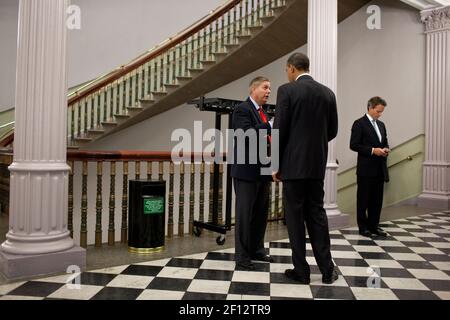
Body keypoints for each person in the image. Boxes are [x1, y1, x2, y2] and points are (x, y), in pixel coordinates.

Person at [273, 53, 339, 285]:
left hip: (292, 166)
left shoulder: (287, 91)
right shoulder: (327, 93)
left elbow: (279, 130)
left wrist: (276, 164)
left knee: (294, 218)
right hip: (316, 165)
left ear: (292, 68)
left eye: (287, 69)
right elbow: (332, 130)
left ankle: (301, 271)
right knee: (317, 215)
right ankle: (327, 270)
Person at [231, 76, 274, 270]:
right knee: (244, 215)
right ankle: (242, 257)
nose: (268, 92)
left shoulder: (263, 112)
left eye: (269, 89)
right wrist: (270, 126)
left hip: (263, 171)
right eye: (265, 88)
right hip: (246, 171)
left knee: (260, 214)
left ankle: (257, 250)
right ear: (253, 89)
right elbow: (246, 134)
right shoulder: (242, 109)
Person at [350, 97, 390, 238]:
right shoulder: (359, 124)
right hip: (366, 170)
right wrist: (373, 150)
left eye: (381, 112)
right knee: (363, 200)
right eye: (378, 111)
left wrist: (385, 149)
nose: (380, 114)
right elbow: (354, 145)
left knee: (377, 201)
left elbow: (385, 142)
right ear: (370, 108)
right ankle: (363, 228)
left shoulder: (381, 125)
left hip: (380, 169)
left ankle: (374, 226)